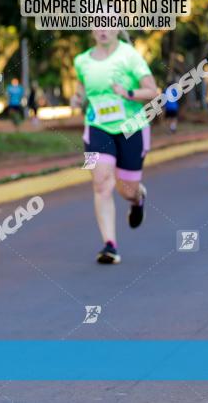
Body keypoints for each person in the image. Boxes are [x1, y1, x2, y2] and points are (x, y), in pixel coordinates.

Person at [72, 28, 158, 264]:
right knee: (101, 182)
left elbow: (152, 91)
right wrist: (77, 98)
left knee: (127, 190)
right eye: (97, 23)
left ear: (117, 27)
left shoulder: (129, 55)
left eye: (108, 23)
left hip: (132, 128)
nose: (102, 29)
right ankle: (110, 245)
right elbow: (81, 87)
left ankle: (138, 198)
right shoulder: (81, 60)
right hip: (96, 127)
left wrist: (127, 92)